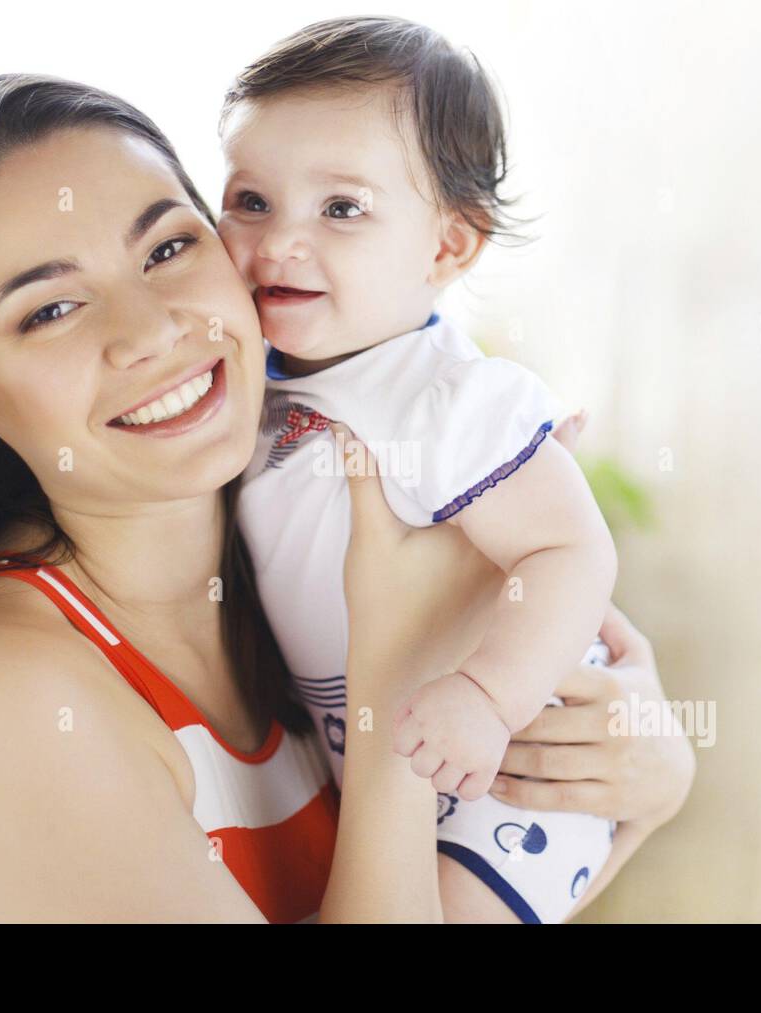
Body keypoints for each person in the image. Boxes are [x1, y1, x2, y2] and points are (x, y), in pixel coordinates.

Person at [0, 74, 693, 923]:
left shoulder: (303, 571)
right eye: (49, 309)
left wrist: (641, 796)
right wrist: (397, 702)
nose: (151, 331)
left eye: (168, 247)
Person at [222, 16, 618, 923]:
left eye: (341, 208)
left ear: (447, 247)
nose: (281, 240)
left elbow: (571, 552)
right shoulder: (256, 385)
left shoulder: (450, 399)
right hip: (367, 754)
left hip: (515, 761)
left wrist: (487, 695)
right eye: (250, 200)